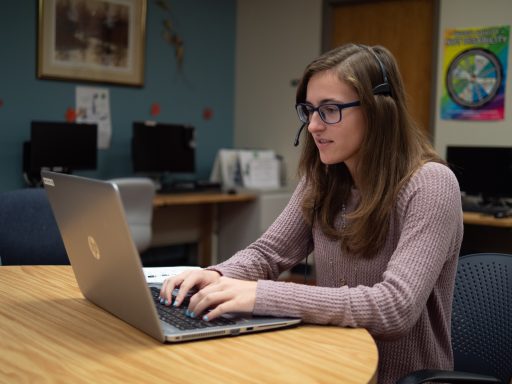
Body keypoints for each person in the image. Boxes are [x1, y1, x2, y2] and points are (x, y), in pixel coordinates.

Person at [160, 43, 463, 384]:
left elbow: (394, 307)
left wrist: (263, 295)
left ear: (379, 111)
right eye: (309, 110)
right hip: (332, 364)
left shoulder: (431, 184)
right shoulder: (323, 179)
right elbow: (267, 254)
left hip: (401, 377)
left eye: (330, 110)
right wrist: (217, 275)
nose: (314, 126)